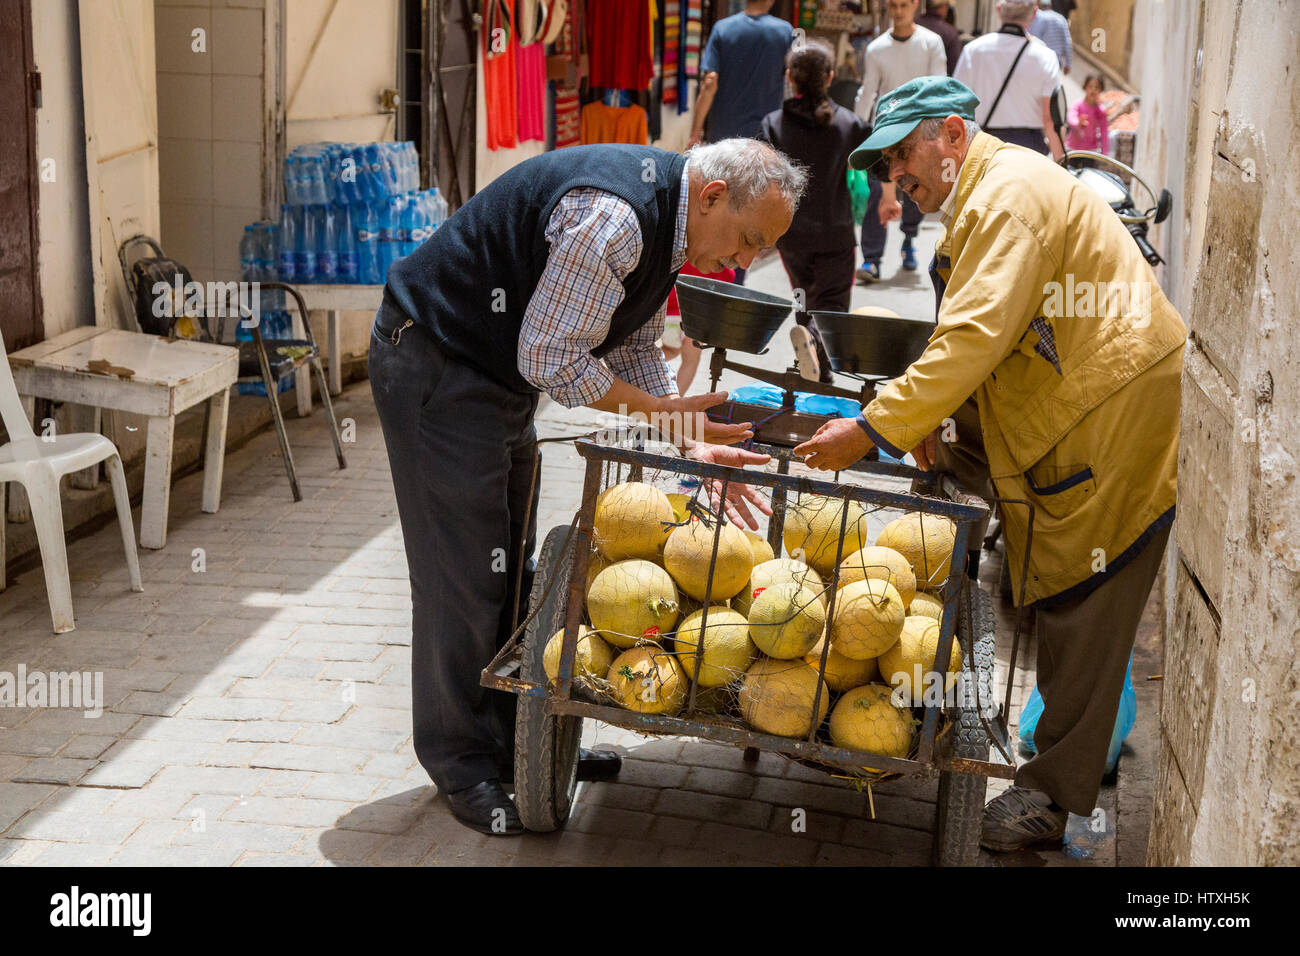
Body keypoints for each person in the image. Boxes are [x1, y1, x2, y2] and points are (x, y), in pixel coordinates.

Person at [794, 76, 1186, 852]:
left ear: (951, 133)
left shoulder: (1007, 198)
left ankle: (1049, 799)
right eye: (887, 167)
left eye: (905, 157)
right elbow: (988, 340)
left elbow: (972, 337)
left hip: (1108, 413)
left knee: (1083, 601)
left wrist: (872, 428)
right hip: (1071, 397)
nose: (897, 178)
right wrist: (938, 425)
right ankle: (1047, 772)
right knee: (1052, 579)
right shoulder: (987, 192)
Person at [371, 140, 804, 837]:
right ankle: (462, 763)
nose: (744, 263)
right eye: (750, 239)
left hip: (493, 376)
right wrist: (656, 413)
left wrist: (684, 436)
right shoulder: (618, 217)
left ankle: (517, 739)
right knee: (462, 578)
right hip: (437, 363)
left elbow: (623, 342)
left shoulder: (669, 229)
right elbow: (548, 355)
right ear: (714, 195)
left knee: (509, 573)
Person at [759, 38, 870, 382]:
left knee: (803, 300)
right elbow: (878, 164)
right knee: (832, 305)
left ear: (790, 77)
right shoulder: (849, 124)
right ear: (831, 77)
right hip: (836, 232)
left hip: (791, 235)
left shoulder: (773, 124)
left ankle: (816, 372)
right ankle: (815, 348)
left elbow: (763, 180)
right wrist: (889, 198)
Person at [688, 0, 793, 285]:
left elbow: (710, 81)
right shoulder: (785, 32)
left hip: (725, 142)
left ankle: (703, 287)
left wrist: (696, 130)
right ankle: (734, 285)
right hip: (764, 141)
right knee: (750, 219)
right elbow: (791, 84)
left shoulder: (723, 29)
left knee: (712, 211)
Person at [853, 0, 946, 284]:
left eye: (903, 4)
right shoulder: (877, 48)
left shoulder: (931, 43)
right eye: (893, 5)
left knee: (917, 191)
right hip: (884, 130)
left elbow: (938, 87)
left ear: (915, 5)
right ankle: (871, 259)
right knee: (876, 194)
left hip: (921, 131)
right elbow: (869, 90)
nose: (898, 10)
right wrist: (858, 133)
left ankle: (908, 239)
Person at [955, 0, 1064, 157]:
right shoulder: (1046, 56)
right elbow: (1050, 119)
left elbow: (959, 104)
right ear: (1034, 13)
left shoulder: (973, 50)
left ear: (999, 10)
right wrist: (1061, 163)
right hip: (1029, 148)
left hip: (983, 143)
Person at [661, 260, 735, 395]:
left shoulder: (687, 255)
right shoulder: (719, 266)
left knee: (671, 350)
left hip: (668, 316)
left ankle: (634, 370)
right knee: (690, 362)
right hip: (694, 318)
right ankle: (676, 399)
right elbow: (724, 288)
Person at [916, 1, 962, 76]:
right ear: (943, 6)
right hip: (936, 85)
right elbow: (955, 70)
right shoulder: (949, 33)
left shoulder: (912, 27)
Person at [1066, 73, 1109, 154]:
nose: (1093, 90)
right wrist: (1078, 123)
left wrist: (1105, 153)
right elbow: (1071, 118)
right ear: (1085, 87)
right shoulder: (1077, 104)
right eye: (1090, 86)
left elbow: (1104, 132)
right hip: (1073, 148)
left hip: (1091, 151)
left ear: (1101, 90)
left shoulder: (1101, 111)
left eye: (1096, 87)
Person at [1028, 0, 1073, 74]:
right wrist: (1068, 64)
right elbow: (1068, 42)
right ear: (1051, 6)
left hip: (1038, 60)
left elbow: (1031, 37)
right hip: (1055, 61)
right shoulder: (1061, 19)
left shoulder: (1037, 17)